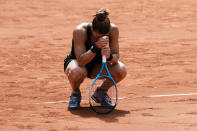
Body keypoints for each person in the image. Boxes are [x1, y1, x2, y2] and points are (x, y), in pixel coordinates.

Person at [64, 9, 127, 109]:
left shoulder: (114, 30)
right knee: (77, 71)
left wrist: (109, 56)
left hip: (97, 66)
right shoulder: (80, 31)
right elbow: (81, 61)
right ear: (92, 27)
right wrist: (96, 47)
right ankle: (75, 93)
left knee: (121, 70)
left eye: (105, 35)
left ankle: (101, 93)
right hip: (78, 63)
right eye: (98, 35)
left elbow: (116, 57)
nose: (101, 38)